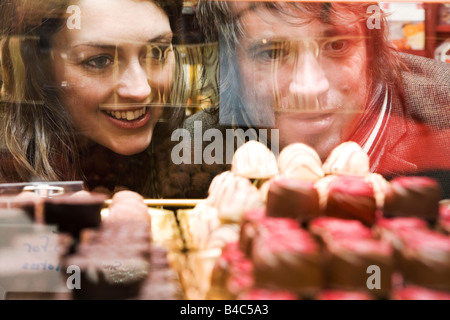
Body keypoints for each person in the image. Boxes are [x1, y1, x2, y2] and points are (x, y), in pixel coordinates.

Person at [186, 1, 450, 198]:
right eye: (272, 53)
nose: (309, 88)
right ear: (231, 65)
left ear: (373, 46)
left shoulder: (444, 109)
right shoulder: (195, 146)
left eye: (337, 46)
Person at [0, 0, 187, 198]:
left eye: (156, 52)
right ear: (41, 71)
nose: (140, 90)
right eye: (100, 61)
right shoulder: (9, 184)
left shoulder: (196, 160)